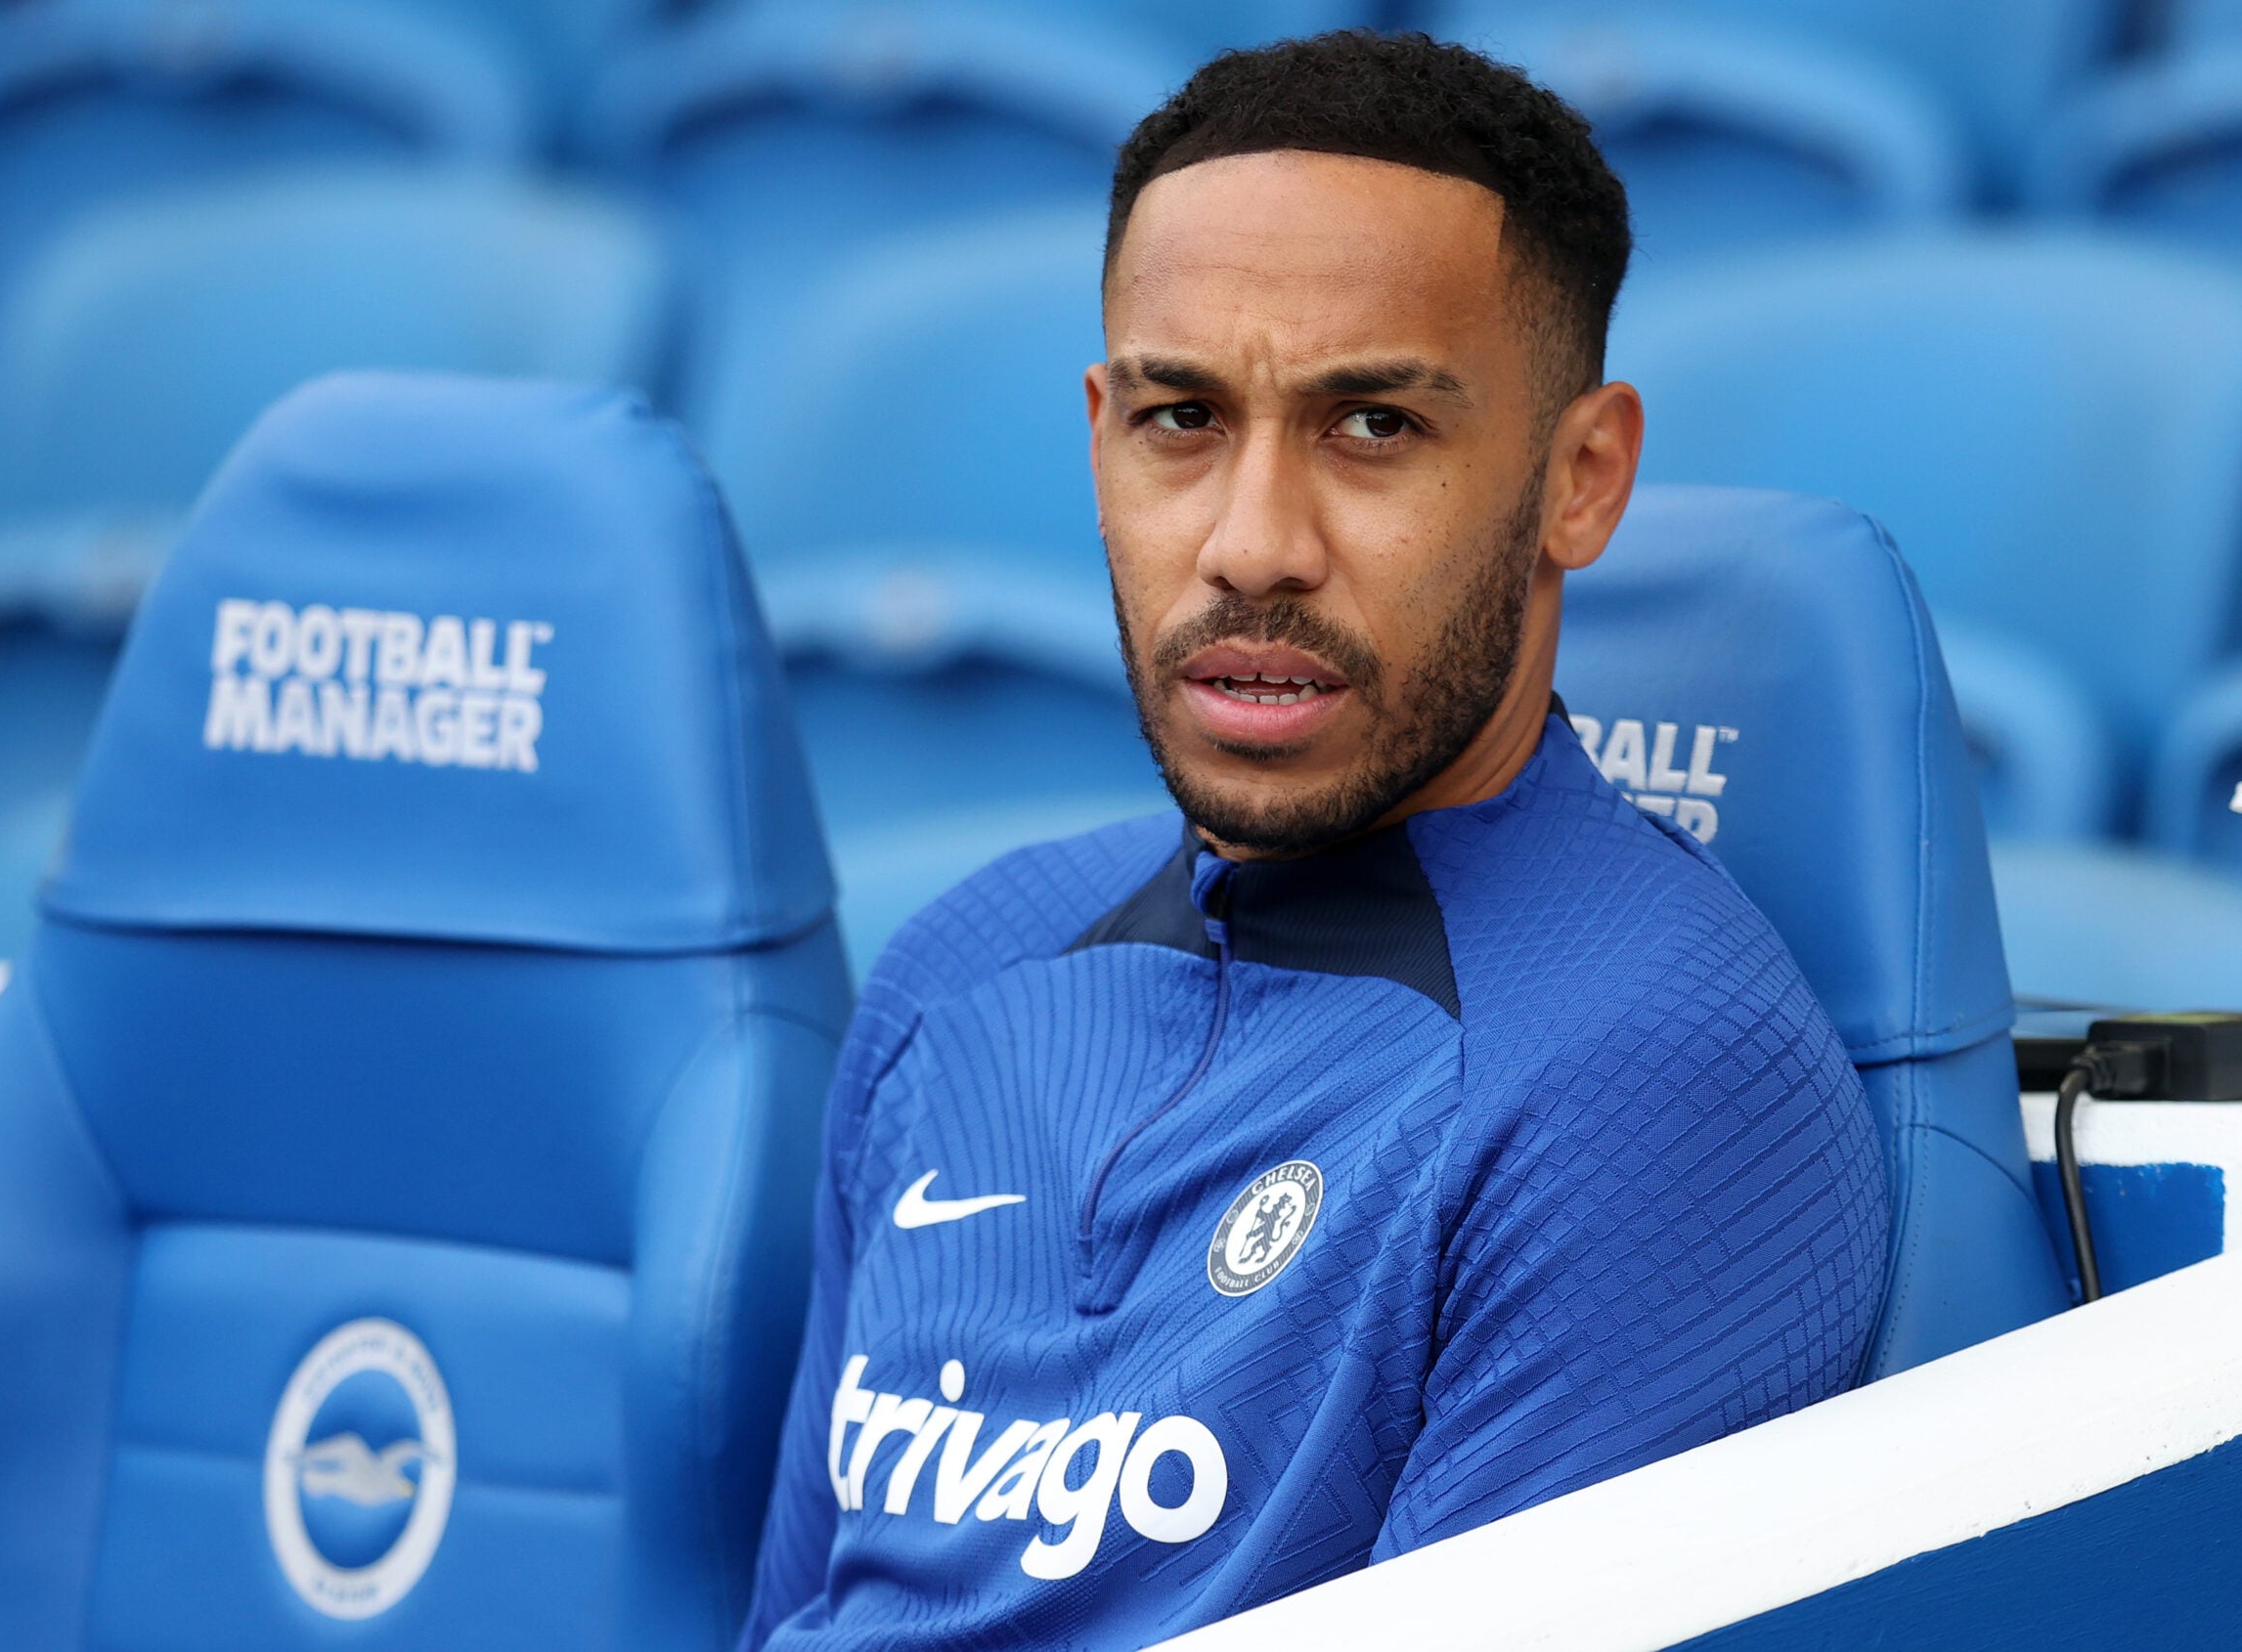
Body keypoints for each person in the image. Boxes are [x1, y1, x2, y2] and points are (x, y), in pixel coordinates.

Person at [738, 31, 1888, 1651]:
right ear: (1099, 436)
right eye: (1182, 417)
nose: (1252, 544)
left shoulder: (1652, 1084)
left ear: (1581, 478)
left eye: (1371, 426)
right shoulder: (960, 967)